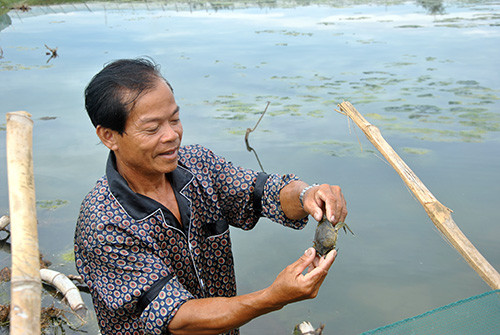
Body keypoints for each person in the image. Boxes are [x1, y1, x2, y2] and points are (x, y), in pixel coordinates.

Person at [74, 58, 348, 335]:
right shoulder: (103, 224)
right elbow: (178, 320)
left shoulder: (199, 165)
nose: (172, 135)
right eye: (152, 128)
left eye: (175, 119)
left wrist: (307, 194)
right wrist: (273, 297)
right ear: (109, 136)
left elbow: (265, 192)